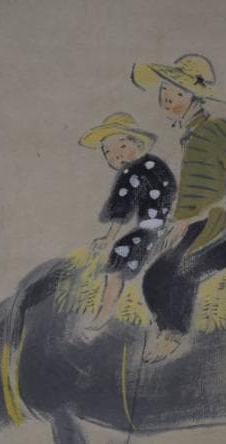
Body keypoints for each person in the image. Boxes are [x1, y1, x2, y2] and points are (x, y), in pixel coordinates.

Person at [130, 54, 226, 361]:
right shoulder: (191, 136)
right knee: (155, 277)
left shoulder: (217, 129)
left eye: (178, 92)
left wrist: (208, 211)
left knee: (182, 273)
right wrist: (181, 219)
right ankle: (167, 330)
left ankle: (174, 334)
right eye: (165, 89)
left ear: (195, 96)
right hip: (208, 220)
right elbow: (197, 190)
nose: (168, 97)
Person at [79, 112, 176, 329]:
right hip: (164, 224)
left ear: (137, 144)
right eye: (107, 152)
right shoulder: (154, 163)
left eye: (121, 146)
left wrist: (108, 238)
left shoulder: (132, 170)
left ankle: (104, 314)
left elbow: (122, 208)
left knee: (119, 255)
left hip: (156, 228)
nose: (115, 155)